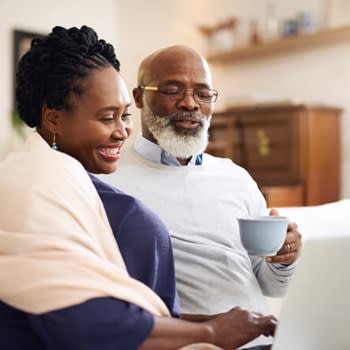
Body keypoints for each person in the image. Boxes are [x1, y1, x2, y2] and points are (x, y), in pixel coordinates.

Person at [0, 26, 277, 350]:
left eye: (124, 116)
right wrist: (210, 334)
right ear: (53, 118)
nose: (122, 132)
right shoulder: (36, 187)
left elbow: (126, 310)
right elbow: (86, 324)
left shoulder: (62, 181)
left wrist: (219, 323)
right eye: (107, 117)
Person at [101, 45, 302, 349]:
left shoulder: (236, 177)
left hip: (264, 339)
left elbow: (272, 285)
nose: (189, 104)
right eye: (172, 90)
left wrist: (284, 260)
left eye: (203, 94)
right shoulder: (109, 177)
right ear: (140, 97)